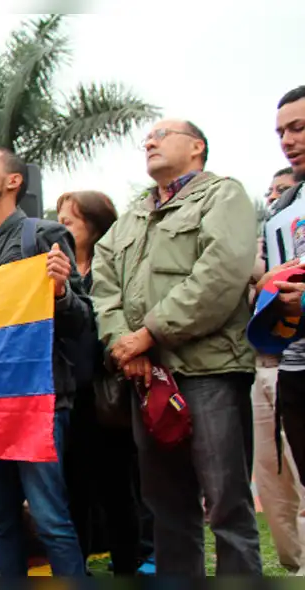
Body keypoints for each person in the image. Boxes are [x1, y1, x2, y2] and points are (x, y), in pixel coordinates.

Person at [92, 120, 261, 575]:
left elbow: (220, 274)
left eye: (162, 135)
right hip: (146, 378)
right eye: (146, 138)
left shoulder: (224, 195)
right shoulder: (131, 217)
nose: (149, 141)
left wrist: (149, 333)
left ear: (196, 147)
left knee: (226, 505)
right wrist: (126, 349)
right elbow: (102, 289)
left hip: (209, 372)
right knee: (167, 509)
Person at [0, 147, 90, 577]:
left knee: (51, 519)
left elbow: (83, 320)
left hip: (39, 400)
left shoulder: (45, 235)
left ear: (13, 181)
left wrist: (60, 293)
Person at [56, 191, 149, 576]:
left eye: (69, 222)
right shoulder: (54, 270)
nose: (59, 229)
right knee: (72, 489)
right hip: (69, 393)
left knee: (117, 489)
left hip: (109, 394)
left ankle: (129, 564)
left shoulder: (115, 268)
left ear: (94, 228)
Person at [262, 87, 305, 494]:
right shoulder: (280, 211)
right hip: (294, 368)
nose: (288, 141)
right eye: (281, 133)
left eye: (299, 128)